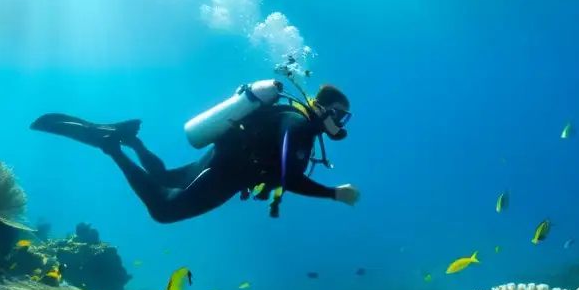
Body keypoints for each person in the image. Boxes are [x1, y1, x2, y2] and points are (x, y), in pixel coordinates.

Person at [30, 84, 360, 224]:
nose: (342, 125)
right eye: (340, 116)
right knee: (163, 211)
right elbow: (290, 178)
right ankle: (111, 146)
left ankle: (129, 139)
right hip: (224, 174)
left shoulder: (292, 118)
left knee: (165, 177)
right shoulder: (299, 126)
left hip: (221, 161)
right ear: (324, 110)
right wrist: (334, 193)